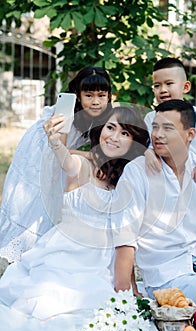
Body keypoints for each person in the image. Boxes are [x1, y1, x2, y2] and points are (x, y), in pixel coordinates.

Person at [0, 106, 150, 320]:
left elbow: (125, 236)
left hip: (101, 260)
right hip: (66, 253)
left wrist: (131, 283)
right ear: (101, 129)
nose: (115, 137)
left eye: (125, 133)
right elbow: (67, 162)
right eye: (110, 127)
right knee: (46, 301)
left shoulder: (128, 176)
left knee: (98, 304)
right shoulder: (83, 165)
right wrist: (54, 141)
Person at [113, 99, 196, 308]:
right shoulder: (138, 172)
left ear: (190, 135)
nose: (158, 134)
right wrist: (125, 300)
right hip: (167, 275)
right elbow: (125, 239)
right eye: (155, 127)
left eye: (167, 128)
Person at [0, 66, 112, 263]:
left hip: (57, 154)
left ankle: (32, 253)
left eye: (101, 95)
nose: (95, 101)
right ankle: (18, 254)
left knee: (47, 201)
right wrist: (89, 155)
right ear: (78, 95)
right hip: (39, 154)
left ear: (109, 96)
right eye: (89, 95)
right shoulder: (66, 110)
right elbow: (58, 149)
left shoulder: (103, 113)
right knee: (33, 200)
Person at [144, 57, 196, 183]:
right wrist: (148, 153)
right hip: (165, 180)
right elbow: (147, 146)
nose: (163, 90)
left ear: (185, 87)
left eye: (169, 84)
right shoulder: (151, 118)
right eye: (157, 85)